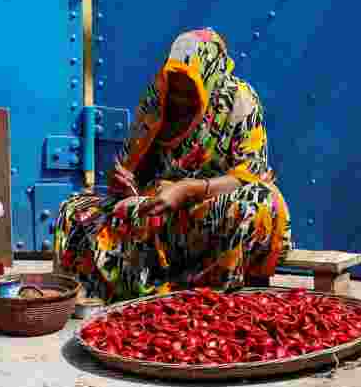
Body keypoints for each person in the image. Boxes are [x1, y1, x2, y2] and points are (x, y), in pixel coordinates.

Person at [53, 28, 292, 301]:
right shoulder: (158, 98)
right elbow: (134, 168)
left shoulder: (239, 100)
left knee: (257, 203)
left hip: (209, 211)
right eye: (175, 89)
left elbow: (251, 175)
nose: (179, 99)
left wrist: (187, 190)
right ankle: (131, 289)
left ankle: (212, 296)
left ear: (209, 78)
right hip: (160, 215)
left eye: (188, 91)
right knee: (75, 209)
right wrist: (123, 181)